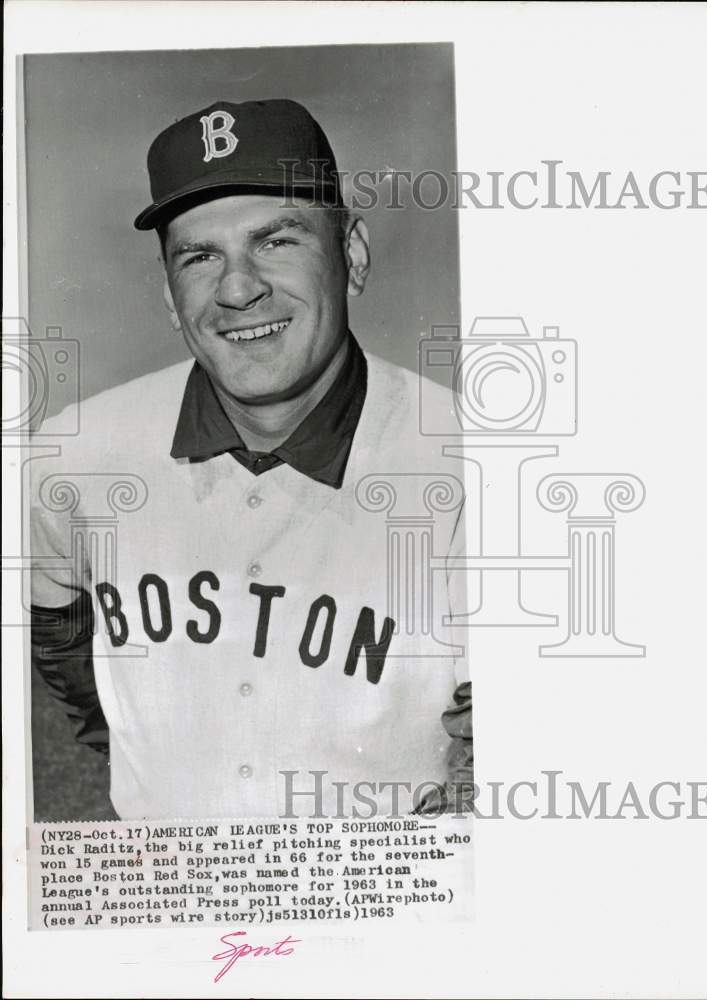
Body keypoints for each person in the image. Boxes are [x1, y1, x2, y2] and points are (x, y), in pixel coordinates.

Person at [29, 98, 472, 821]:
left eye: (277, 241)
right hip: (163, 895)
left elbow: (510, 737)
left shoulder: (467, 458)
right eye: (200, 256)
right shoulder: (74, 454)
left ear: (352, 256)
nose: (238, 289)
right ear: (172, 298)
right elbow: (56, 625)